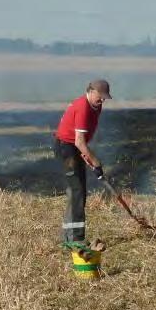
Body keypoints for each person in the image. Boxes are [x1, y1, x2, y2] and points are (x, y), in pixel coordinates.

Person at [53, 79, 111, 256]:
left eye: (104, 99)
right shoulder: (84, 107)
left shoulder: (95, 106)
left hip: (75, 147)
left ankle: (68, 237)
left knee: (79, 191)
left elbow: (82, 141)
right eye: (99, 97)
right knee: (77, 191)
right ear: (91, 91)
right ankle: (76, 240)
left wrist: (85, 155)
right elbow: (78, 141)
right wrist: (96, 162)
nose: (102, 101)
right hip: (66, 148)